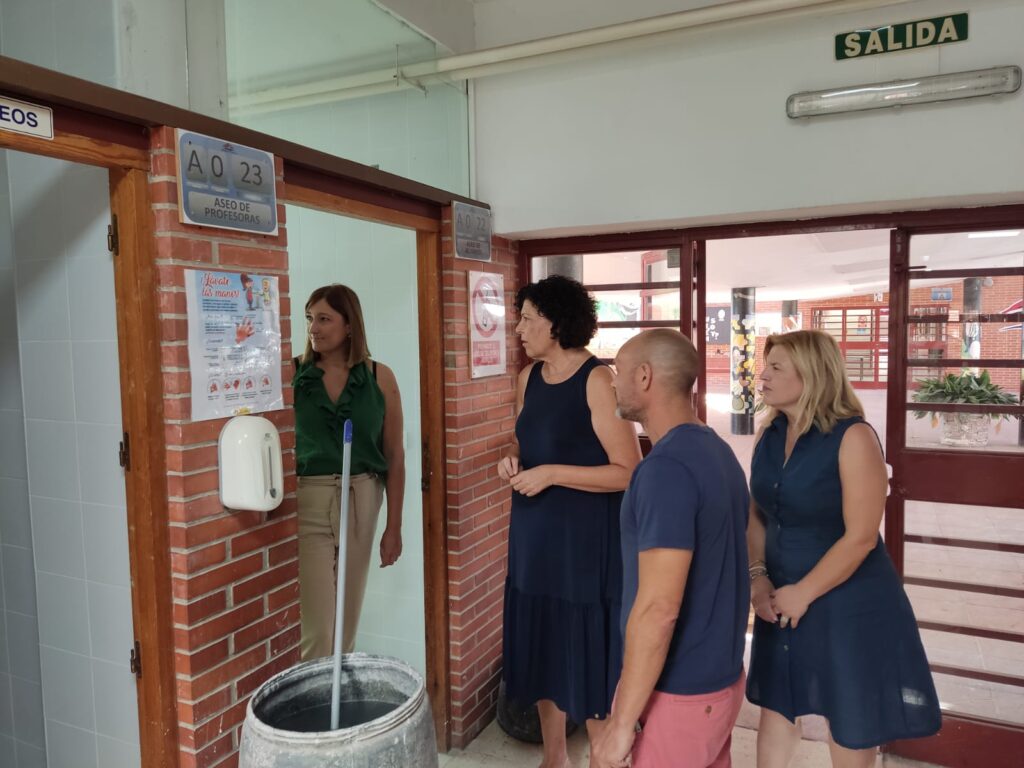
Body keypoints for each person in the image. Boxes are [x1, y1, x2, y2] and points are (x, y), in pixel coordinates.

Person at [747, 330, 940, 767]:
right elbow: (757, 514)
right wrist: (758, 578)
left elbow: (861, 537)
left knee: (849, 714)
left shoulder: (853, 437)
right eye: (766, 366)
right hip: (780, 596)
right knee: (777, 704)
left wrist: (803, 592)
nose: (763, 376)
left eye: (776, 367)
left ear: (812, 373)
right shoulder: (769, 434)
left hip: (848, 599)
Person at [497, 275, 641, 768]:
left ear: (556, 323)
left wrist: (553, 474)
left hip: (582, 540)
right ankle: (555, 757)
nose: (519, 329)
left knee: (586, 651)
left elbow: (628, 471)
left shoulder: (597, 380)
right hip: (533, 534)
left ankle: (605, 756)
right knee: (542, 642)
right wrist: (512, 458)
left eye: (527, 319)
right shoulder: (528, 378)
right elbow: (521, 439)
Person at [592, 329, 750, 768]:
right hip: (717, 683)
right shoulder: (717, 450)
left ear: (644, 376)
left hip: (679, 691)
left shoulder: (665, 470)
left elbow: (658, 609)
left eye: (619, 371)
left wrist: (621, 724)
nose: (612, 383)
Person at [293, 284, 405, 660]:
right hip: (308, 498)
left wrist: (393, 527)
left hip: (362, 498)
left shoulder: (379, 377)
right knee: (318, 630)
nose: (314, 328)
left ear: (350, 325)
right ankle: (315, 694)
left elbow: (395, 456)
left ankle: (338, 695)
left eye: (324, 319)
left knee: (345, 624)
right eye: (310, 318)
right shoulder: (292, 373)